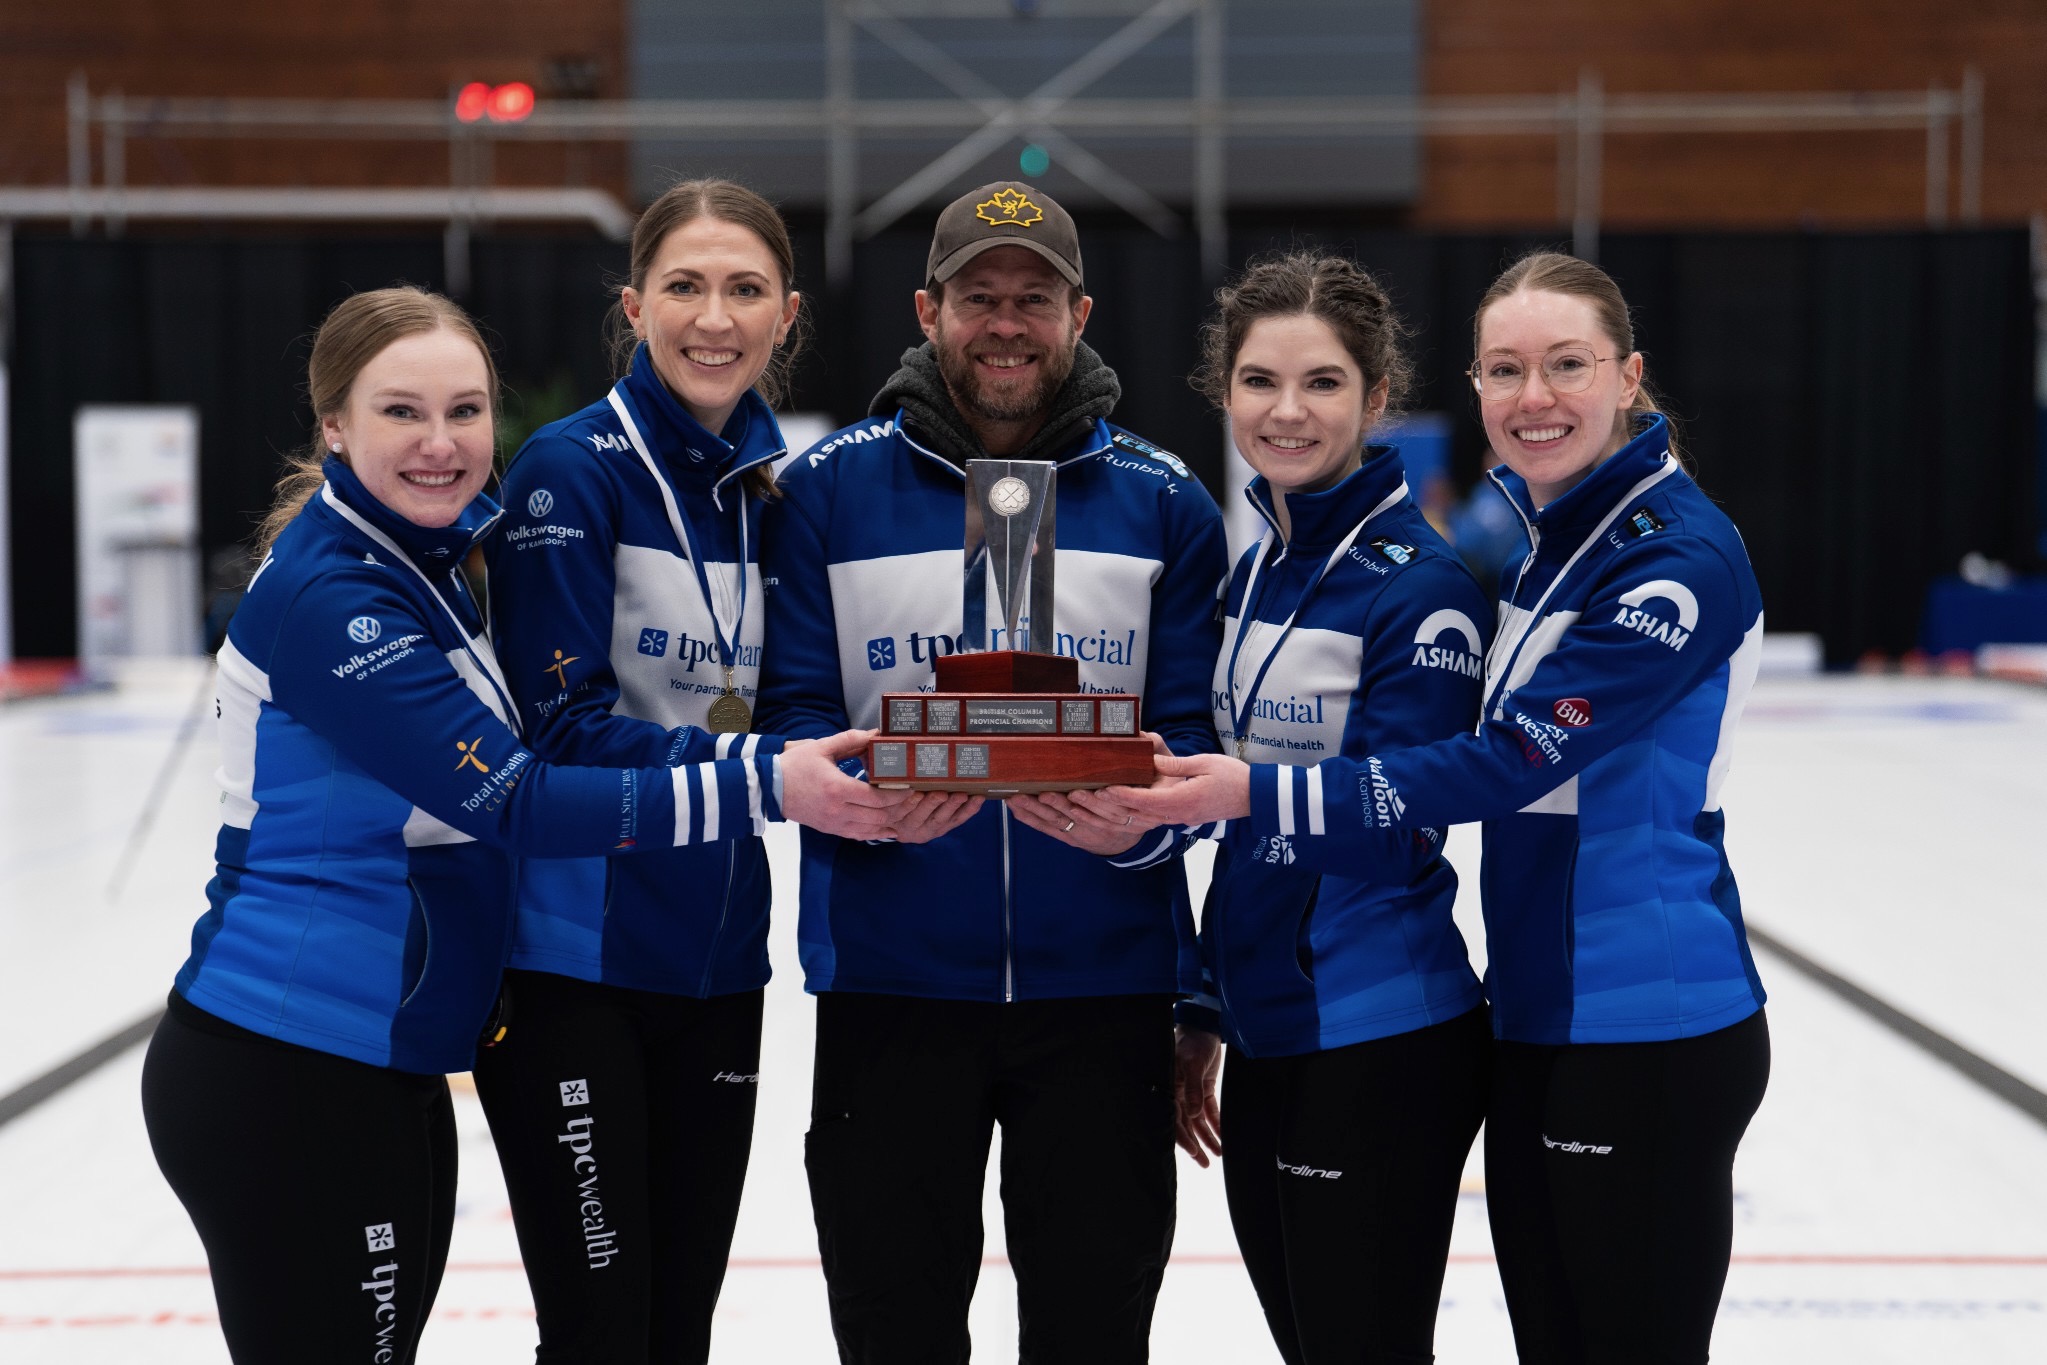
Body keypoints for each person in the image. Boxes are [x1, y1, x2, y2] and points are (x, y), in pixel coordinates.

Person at [138, 286, 889, 1365]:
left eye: (466, 411)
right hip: (293, 1061)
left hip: (378, 1062)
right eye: (402, 412)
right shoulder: (335, 597)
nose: (441, 444)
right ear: (334, 426)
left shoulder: (422, 571)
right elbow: (516, 798)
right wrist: (768, 784)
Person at [1115, 250, 1771, 1365]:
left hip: (1642, 1013)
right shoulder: (1548, 545)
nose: (1535, 397)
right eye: (1507, 369)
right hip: (1533, 1017)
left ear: (1629, 376)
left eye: (1568, 365)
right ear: (1471, 387)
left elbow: (1503, 764)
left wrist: (1245, 794)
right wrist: (1206, 996)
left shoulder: (1676, 560)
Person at [756, 181, 1229, 1362]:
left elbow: (1195, 735)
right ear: (928, 310)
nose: (1004, 324)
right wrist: (866, 812)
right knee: (893, 1324)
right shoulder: (827, 492)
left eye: (1031, 300)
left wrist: (1143, 830)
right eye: (978, 298)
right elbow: (798, 710)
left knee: (1093, 1328)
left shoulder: (1165, 501)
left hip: (1104, 995)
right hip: (889, 985)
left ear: (1079, 312)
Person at [469, 177, 914, 1365]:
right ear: (633, 306)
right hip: (573, 966)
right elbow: (556, 736)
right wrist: (769, 773)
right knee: (603, 1332)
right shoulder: (572, 474)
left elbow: (809, 699)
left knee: (678, 1330)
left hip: (717, 960)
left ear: (787, 316)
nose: (713, 317)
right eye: (683, 286)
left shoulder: (778, 494)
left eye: (743, 290)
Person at [1158, 251, 1493, 1364]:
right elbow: (1248, 844)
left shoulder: (1419, 585)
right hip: (1270, 1028)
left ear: (1377, 396)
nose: (1286, 411)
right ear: (1224, 390)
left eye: (1322, 383)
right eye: (1259, 381)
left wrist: (1243, 791)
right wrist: (1204, 1007)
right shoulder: (1257, 568)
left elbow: (1405, 808)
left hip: (1376, 1030)